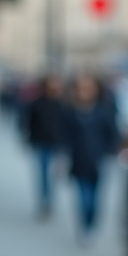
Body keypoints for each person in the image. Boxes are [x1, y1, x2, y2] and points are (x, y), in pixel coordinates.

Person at [63, 74, 119, 245]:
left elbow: (112, 134)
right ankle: (85, 226)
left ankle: (91, 225)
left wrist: (110, 153)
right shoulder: (71, 111)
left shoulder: (103, 110)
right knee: (83, 197)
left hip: (98, 161)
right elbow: (65, 137)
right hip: (79, 161)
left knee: (96, 197)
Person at [22, 75, 65, 218]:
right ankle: (44, 201)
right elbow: (29, 122)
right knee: (43, 173)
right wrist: (29, 138)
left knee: (53, 175)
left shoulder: (62, 104)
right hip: (41, 142)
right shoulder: (37, 103)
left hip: (56, 144)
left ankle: (49, 200)